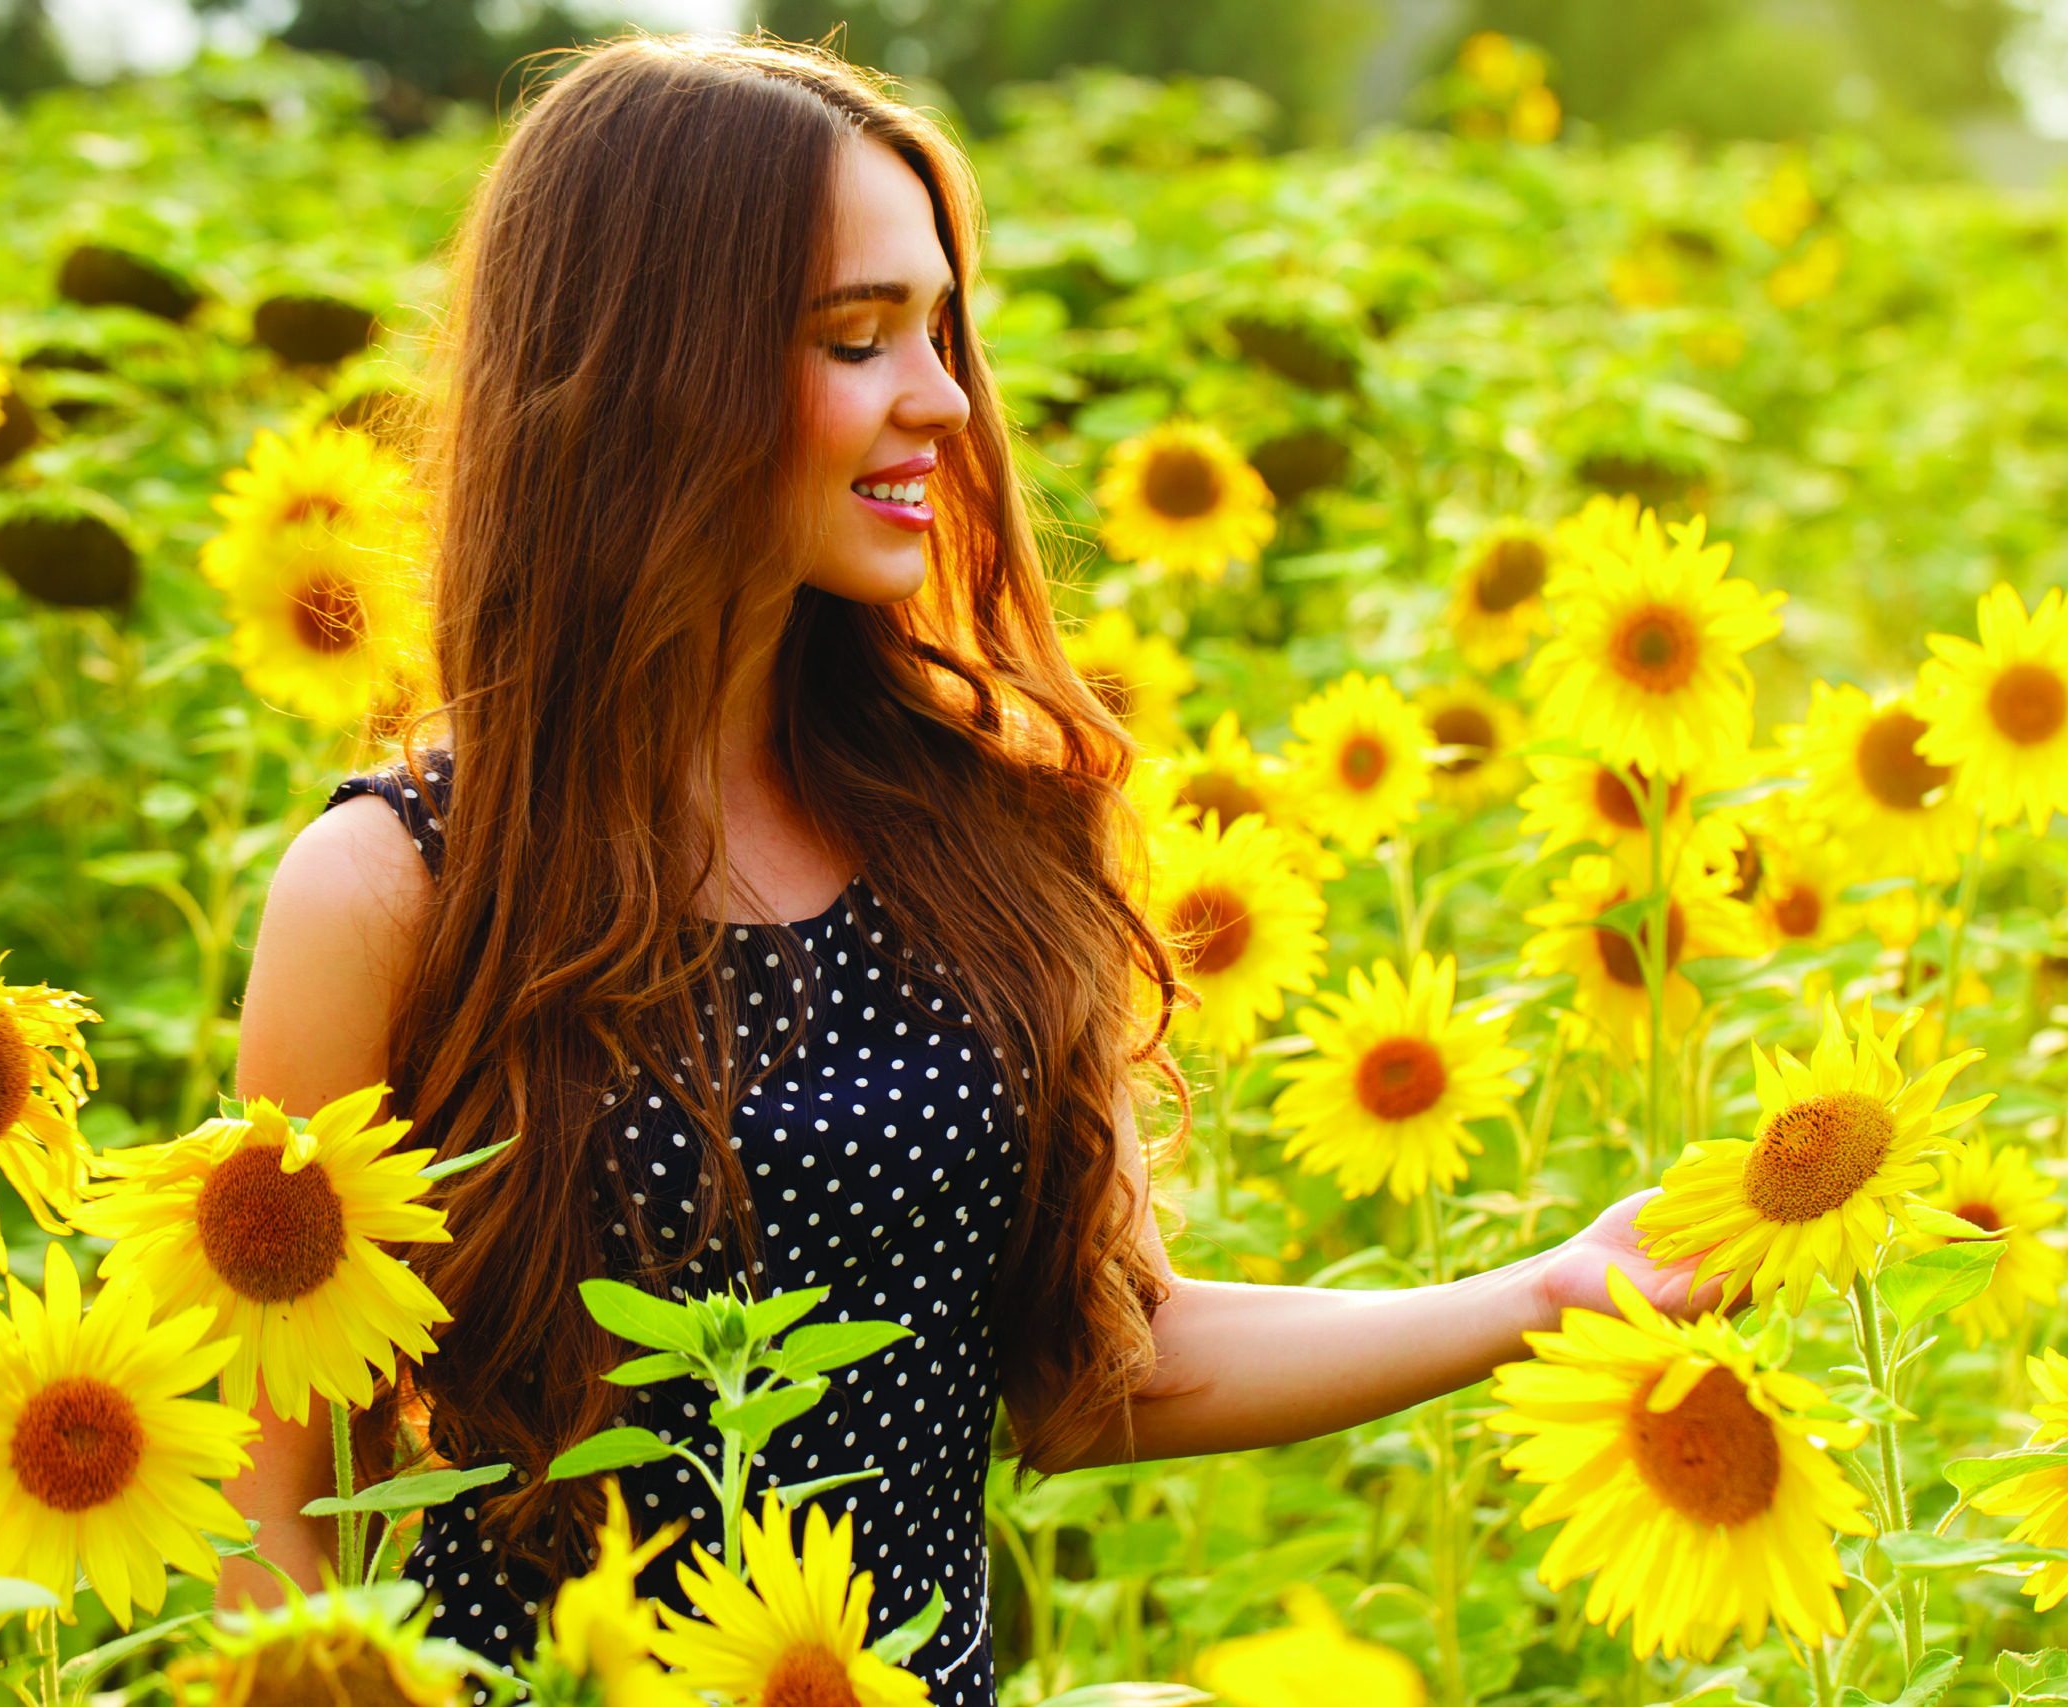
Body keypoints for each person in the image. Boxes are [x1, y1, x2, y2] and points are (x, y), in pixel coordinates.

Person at [226, 33, 1713, 1703]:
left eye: (940, 329)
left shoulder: (979, 830)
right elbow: (277, 1505)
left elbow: (1106, 1364)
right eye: (858, 338)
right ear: (653, 369)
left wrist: (1548, 1287)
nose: (941, 395)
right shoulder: (395, 891)